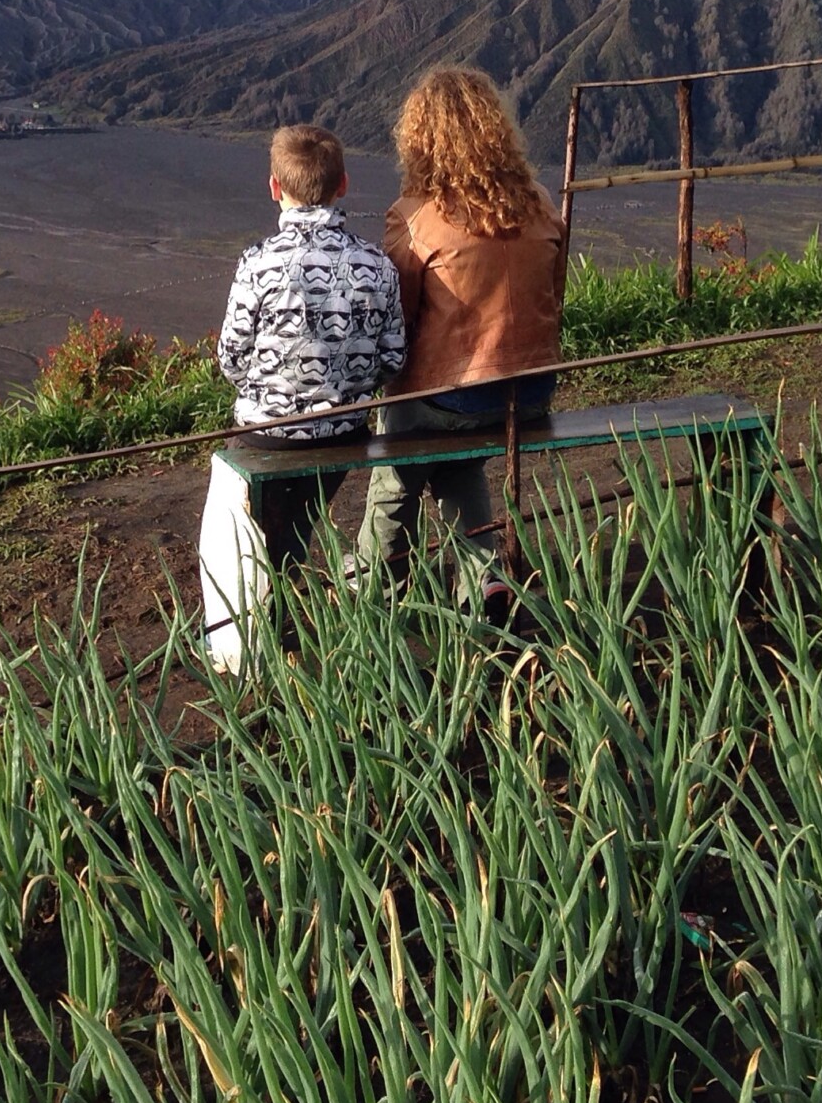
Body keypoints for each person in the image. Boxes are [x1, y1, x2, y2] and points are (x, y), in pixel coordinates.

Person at [198, 124, 405, 672]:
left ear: (274, 187)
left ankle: (254, 645)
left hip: (267, 437)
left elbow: (231, 360)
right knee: (291, 527)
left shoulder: (256, 265)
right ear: (344, 185)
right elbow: (393, 358)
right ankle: (287, 615)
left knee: (259, 536)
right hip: (346, 435)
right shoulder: (377, 265)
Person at [355, 68, 567, 603]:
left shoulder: (415, 217)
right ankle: (484, 577)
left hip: (452, 395)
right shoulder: (541, 201)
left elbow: (395, 324)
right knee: (455, 458)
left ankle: (375, 585)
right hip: (533, 392)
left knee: (397, 465)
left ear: (421, 140)